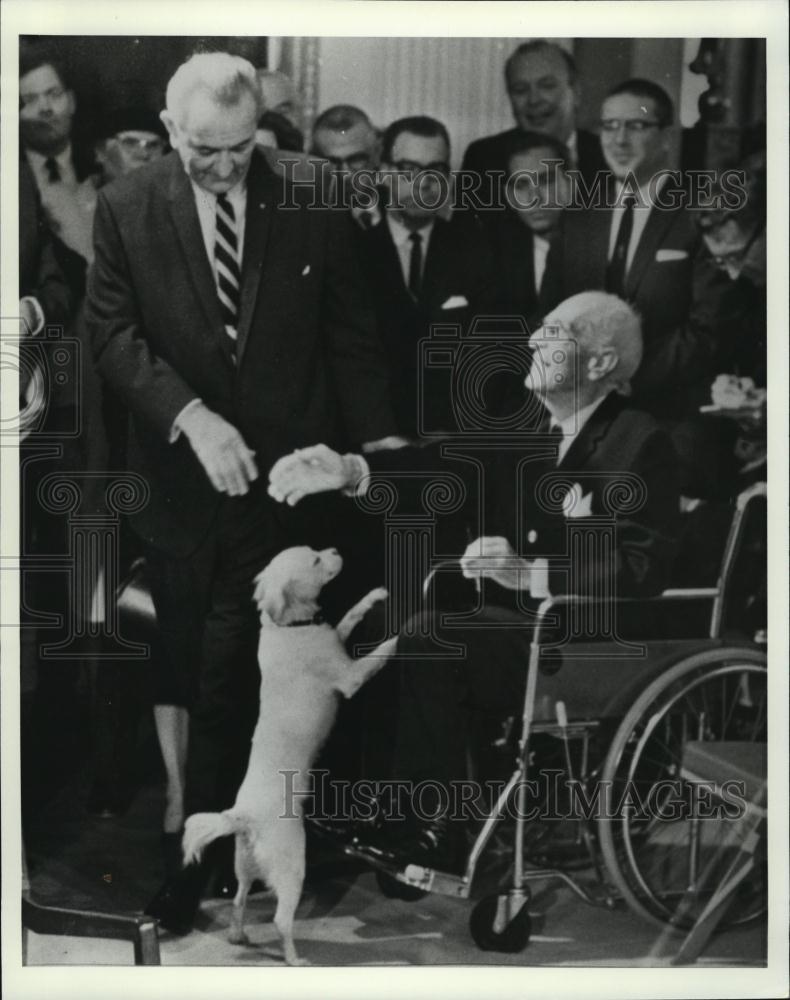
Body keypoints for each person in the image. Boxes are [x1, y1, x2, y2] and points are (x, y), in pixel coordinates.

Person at [84, 51, 397, 934]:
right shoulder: (127, 203)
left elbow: (352, 337)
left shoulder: (314, 192)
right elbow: (111, 333)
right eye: (202, 151)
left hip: (288, 491)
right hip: (184, 487)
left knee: (238, 676)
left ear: (259, 125)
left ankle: (200, 870)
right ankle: (211, 845)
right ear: (170, 126)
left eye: (238, 148)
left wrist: (372, 458)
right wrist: (190, 416)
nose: (224, 168)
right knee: (192, 663)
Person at [268, 291, 681, 871]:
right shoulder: (529, 428)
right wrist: (352, 471)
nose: (534, 340)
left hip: (588, 647)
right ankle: (400, 816)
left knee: (432, 634)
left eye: (554, 332)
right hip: (522, 635)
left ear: (601, 361)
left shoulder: (640, 441)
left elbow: (641, 568)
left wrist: (532, 572)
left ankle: (441, 828)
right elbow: (446, 467)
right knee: (389, 625)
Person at [540, 78, 728, 422]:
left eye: (636, 126)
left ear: (666, 137)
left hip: (668, 412)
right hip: (580, 409)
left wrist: (618, 378)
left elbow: (706, 332)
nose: (619, 140)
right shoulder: (579, 217)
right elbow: (551, 313)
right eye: (609, 126)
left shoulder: (700, 212)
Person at [360, 115, 496, 436]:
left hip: (450, 437)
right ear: (384, 173)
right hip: (371, 437)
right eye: (409, 170)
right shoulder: (354, 251)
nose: (424, 184)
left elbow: (487, 355)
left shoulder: (476, 251)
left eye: (436, 171)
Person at [461, 40, 607, 209]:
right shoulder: (483, 160)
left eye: (547, 86)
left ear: (575, 93)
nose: (534, 100)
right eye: (520, 90)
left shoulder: (608, 158)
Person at [19, 47, 100, 275]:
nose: (45, 108)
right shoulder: (13, 183)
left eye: (54, 94)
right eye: (30, 100)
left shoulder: (102, 166)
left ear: (72, 102)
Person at [310, 105, 382, 228]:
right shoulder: (307, 222)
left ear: (376, 156)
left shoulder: (403, 209)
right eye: (333, 162)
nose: (345, 175)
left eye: (356, 160)